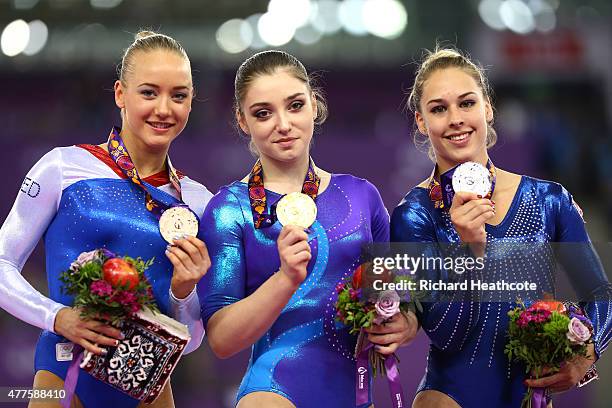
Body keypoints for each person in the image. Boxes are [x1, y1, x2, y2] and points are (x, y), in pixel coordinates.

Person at [172, 50, 418, 407]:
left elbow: (401, 300)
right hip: (274, 392)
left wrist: (404, 325)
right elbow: (222, 340)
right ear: (243, 122)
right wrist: (286, 277)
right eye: (263, 113)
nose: (283, 124)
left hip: (355, 394)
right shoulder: (229, 209)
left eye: (295, 106)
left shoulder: (362, 196)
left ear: (315, 105)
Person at [390, 47, 612, 407]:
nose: (456, 119)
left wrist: (587, 352)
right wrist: (469, 250)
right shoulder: (415, 214)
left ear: (488, 107)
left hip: (531, 397)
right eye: (438, 109)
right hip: (450, 397)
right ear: (421, 121)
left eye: (467, 103)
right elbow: (447, 334)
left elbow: (600, 292)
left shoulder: (548, 199)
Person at [0, 31, 211, 407]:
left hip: (150, 390)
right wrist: (57, 317)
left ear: (190, 103)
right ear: (120, 95)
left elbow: (191, 341)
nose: (164, 109)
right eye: (149, 92)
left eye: (178, 95)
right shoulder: (62, 167)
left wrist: (183, 291)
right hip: (63, 374)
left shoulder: (196, 201)